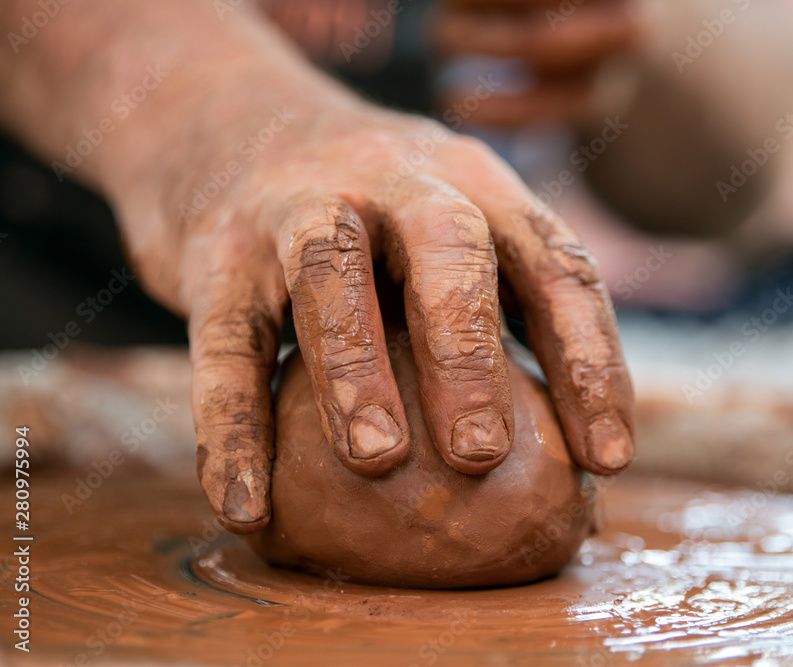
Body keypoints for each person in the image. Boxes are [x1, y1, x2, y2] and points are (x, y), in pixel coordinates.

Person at [0, 0, 636, 533]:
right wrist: (231, 123)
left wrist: (642, 56)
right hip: (62, 292)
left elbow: (700, 188)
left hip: (423, 273)